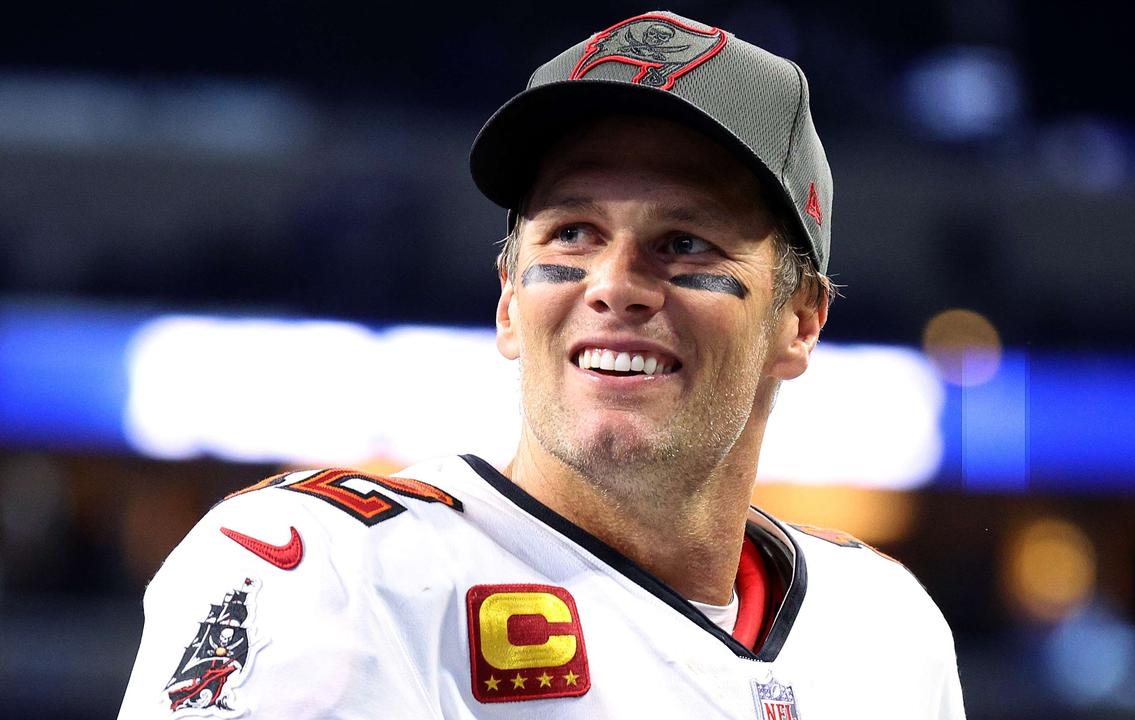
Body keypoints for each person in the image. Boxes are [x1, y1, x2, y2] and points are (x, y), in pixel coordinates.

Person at [119, 11, 965, 719]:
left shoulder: (886, 629)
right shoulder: (329, 569)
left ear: (801, 320)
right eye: (572, 234)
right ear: (508, 300)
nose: (615, 285)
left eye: (684, 243)